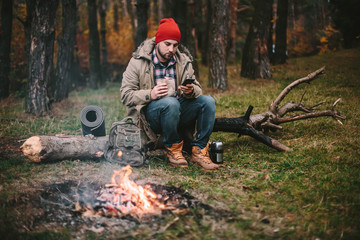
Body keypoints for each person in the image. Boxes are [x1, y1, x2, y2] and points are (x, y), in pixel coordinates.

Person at [120, 18, 220, 170]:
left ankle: (199, 151)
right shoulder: (138, 62)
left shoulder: (183, 61)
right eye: (167, 44)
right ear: (158, 41)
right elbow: (125, 95)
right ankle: (173, 148)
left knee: (208, 101)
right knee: (170, 103)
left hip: (177, 113)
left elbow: (198, 88)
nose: (171, 49)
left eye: (175, 45)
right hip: (151, 117)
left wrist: (191, 91)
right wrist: (150, 94)